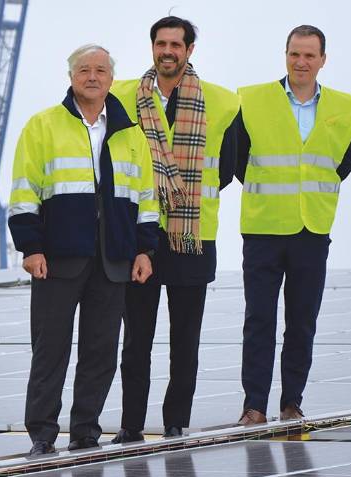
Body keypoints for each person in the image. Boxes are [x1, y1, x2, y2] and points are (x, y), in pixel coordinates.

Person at [8, 44, 159, 456]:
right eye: (84, 70)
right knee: (50, 350)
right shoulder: (43, 126)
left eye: (100, 70)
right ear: (71, 75)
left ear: (111, 78)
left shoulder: (131, 135)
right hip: (58, 259)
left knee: (100, 352)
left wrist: (145, 251)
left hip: (114, 260)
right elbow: (24, 193)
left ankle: (85, 431)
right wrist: (30, 247)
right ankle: (42, 434)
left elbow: (147, 199)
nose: (92, 77)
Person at [109, 16, 239, 442]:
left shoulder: (222, 101)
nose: (168, 51)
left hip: (193, 236)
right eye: (161, 44)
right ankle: (131, 425)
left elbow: (229, 165)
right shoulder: (121, 95)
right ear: (152, 48)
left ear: (189, 50)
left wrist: (178, 191)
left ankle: (174, 423)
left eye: (176, 45)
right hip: (139, 236)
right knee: (136, 341)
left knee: (185, 340)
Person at [233, 25, 351, 425]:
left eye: (309, 56)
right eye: (294, 54)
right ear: (284, 55)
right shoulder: (253, 100)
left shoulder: (344, 106)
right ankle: (254, 405)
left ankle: (292, 402)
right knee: (259, 320)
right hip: (264, 227)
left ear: (323, 59)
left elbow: (345, 161)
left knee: (302, 320)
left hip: (312, 230)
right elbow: (236, 157)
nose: (301, 62)